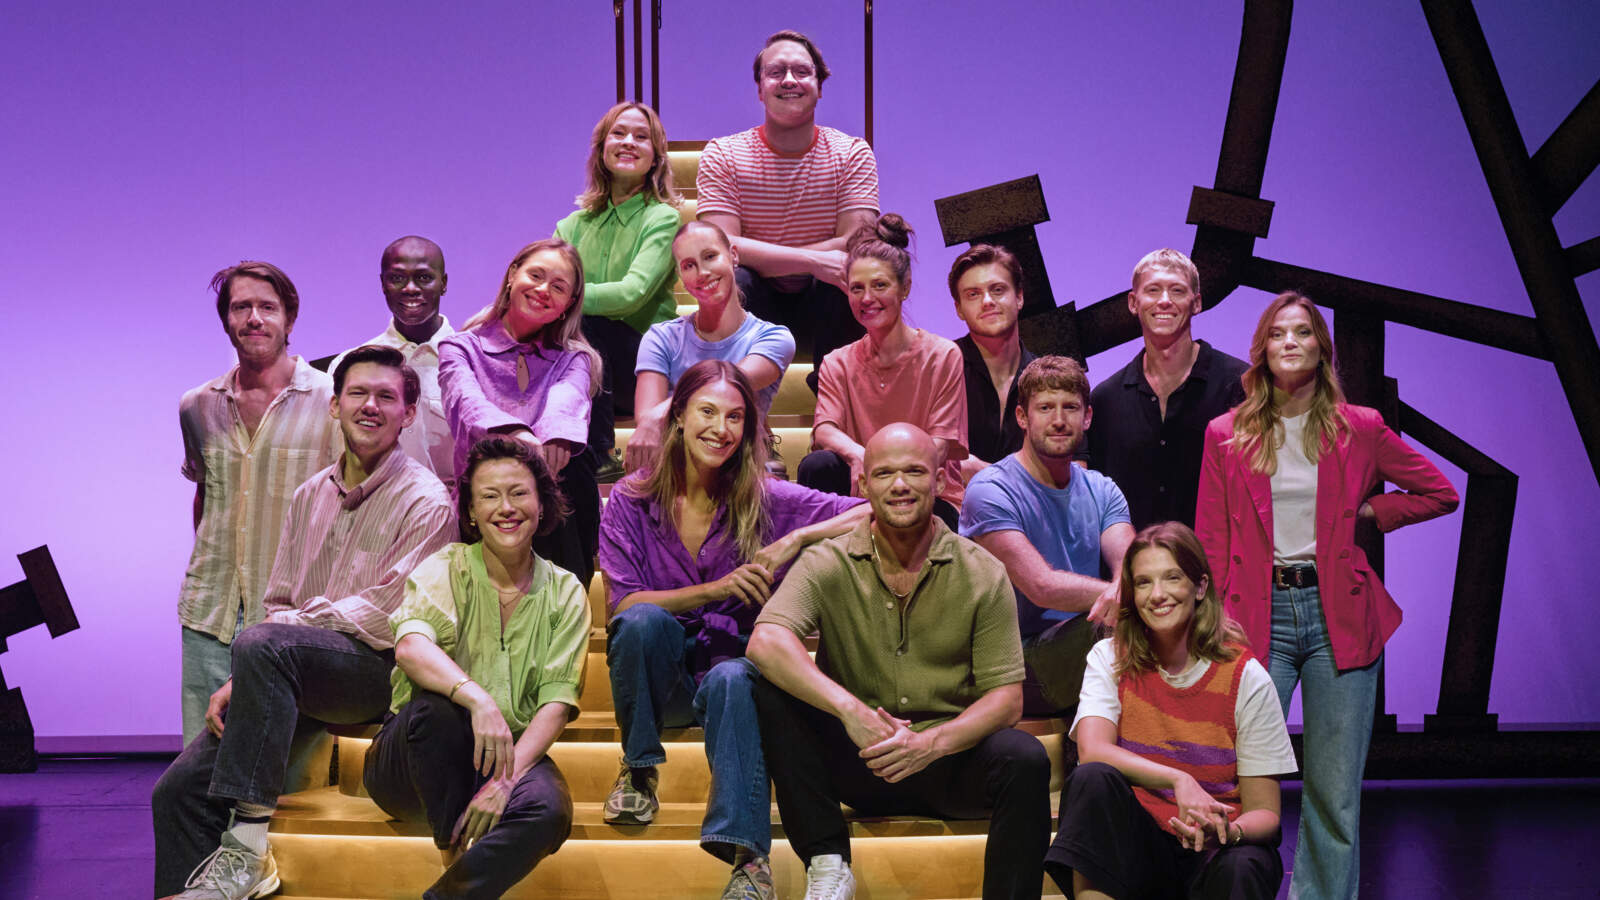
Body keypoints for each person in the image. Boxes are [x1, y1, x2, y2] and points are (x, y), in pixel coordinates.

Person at [153, 345, 457, 899]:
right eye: (358, 393)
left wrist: (281, 639)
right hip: (294, 666)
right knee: (176, 791)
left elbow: (389, 614)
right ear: (334, 405)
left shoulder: (428, 501)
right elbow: (279, 601)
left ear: (408, 413)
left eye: (386, 396)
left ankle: (246, 849)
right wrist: (246, 673)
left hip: (376, 674)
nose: (371, 406)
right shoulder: (309, 494)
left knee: (267, 643)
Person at [1196, 292, 1458, 900]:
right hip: (1254, 617)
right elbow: (1208, 534)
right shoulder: (1226, 433)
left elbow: (1441, 491)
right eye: (1279, 333)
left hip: (1338, 613)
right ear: (1262, 349)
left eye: (1304, 332)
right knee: (1239, 776)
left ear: (1321, 349)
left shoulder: (1359, 427)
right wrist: (1210, 622)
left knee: (1334, 789)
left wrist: (1376, 508)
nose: (1291, 342)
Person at [599, 361, 867, 900]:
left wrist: (796, 540)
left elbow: (873, 510)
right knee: (640, 622)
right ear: (677, 417)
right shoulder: (631, 499)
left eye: (736, 417)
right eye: (707, 412)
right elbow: (623, 604)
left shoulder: (765, 496)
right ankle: (639, 769)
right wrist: (715, 590)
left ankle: (749, 862)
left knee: (733, 678)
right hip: (665, 681)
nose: (720, 428)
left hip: (734, 680)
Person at [748, 423, 1050, 900]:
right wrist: (853, 713)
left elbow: (1008, 700)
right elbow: (765, 641)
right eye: (885, 473)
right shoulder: (827, 561)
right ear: (863, 485)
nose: (901, 485)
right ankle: (827, 863)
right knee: (765, 685)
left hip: (949, 760)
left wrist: (931, 744)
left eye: (914, 471)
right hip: (856, 756)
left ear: (938, 479)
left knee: (1026, 758)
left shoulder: (982, 571)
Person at [363, 435, 590, 899]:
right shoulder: (445, 568)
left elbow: (557, 703)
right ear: (470, 511)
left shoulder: (566, 592)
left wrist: (505, 781)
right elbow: (409, 648)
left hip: (504, 756)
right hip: (411, 760)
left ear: (542, 505)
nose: (505, 508)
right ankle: (454, 849)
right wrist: (476, 698)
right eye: (489, 496)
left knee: (550, 812)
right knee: (439, 711)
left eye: (518, 493)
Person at [1046, 521, 1297, 900]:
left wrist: (1230, 833)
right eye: (1143, 582)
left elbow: (1266, 814)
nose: (1157, 595)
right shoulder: (1110, 657)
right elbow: (1092, 750)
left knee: (1247, 863)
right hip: (1141, 846)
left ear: (1200, 587)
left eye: (1172, 578)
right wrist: (1179, 779)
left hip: (1212, 849)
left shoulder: (1246, 676)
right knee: (1091, 779)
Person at [176, 260, 342, 744]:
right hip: (211, 609)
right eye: (240, 307)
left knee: (287, 772)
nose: (254, 318)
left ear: (289, 318)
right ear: (226, 320)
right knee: (204, 763)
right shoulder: (197, 405)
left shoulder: (331, 399)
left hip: (293, 613)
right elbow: (205, 493)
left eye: (267, 307)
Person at [696, 29, 878, 379]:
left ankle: (836, 414)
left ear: (820, 87)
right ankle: (733, 404)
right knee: (732, 277)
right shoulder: (724, 154)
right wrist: (811, 259)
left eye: (801, 72)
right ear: (760, 89)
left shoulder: (852, 153)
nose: (789, 80)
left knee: (846, 272)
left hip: (824, 300)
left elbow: (855, 242)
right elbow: (720, 247)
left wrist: (762, 252)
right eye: (776, 72)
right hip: (756, 298)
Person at [960, 355, 1135, 717]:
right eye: (1045, 408)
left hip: (1079, 645)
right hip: (1013, 664)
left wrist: (1131, 589)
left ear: (1087, 417)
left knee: (1158, 614)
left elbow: (1133, 566)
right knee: (1122, 628)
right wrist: (1125, 597)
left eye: (1070, 408)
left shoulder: (1102, 489)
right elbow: (1041, 586)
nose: (1059, 420)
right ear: (1023, 417)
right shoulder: (991, 490)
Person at [439, 238, 604, 586]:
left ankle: (564, 610)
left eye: (558, 287)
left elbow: (566, 400)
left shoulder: (575, 358)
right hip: (481, 505)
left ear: (568, 304)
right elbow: (466, 402)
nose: (544, 290)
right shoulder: (460, 347)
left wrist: (550, 436)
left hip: (549, 508)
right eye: (536, 275)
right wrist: (518, 435)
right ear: (513, 274)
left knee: (570, 474)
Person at [801, 214, 968, 528]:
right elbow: (824, 429)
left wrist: (884, 470)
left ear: (904, 288)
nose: (867, 298)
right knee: (818, 465)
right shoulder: (837, 361)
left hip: (924, 491)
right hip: (861, 486)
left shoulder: (943, 355)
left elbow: (940, 445)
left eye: (879, 285)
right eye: (856, 288)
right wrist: (856, 454)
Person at [555, 102, 683, 475]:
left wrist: (566, 298)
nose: (629, 142)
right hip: (583, 365)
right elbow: (547, 285)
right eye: (619, 133)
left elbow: (631, 295)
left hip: (644, 369)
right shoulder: (571, 225)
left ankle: (600, 454)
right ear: (601, 149)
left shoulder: (663, 218)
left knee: (591, 327)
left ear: (656, 156)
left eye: (642, 137)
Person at [1086, 248, 1248, 529]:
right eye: (1153, 290)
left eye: (1176, 291)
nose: (1164, 301)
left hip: (1218, 567)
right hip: (1132, 569)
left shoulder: (1241, 384)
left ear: (1196, 303)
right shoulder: (1105, 400)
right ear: (1133, 303)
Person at [624, 220, 796, 472]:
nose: (702, 272)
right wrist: (652, 419)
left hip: (740, 465)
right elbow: (647, 422)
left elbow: (724, 387)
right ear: (680, 276)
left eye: (710, 256)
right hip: (677, 463)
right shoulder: (661, 337)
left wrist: (660, 413)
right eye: (689, 265)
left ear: (733, 255)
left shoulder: (773, 338)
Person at [329, 235, 458, 490]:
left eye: (423, 277)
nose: (410, 288)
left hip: (453, 520)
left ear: (443, 283)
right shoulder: (349, 365)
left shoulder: (472, 360)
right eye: (397, 278)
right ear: (383, 284)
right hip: (371, 517)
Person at [948, 243, 1037, 485]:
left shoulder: (1049, 379)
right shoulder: (937, 369)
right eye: (973, 294)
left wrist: (981, 472)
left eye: (997, 290)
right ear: (959, 309)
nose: (987, 301)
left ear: (1019, 297)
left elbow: (1070, 472)